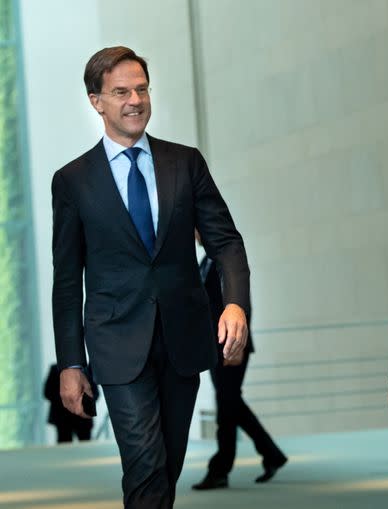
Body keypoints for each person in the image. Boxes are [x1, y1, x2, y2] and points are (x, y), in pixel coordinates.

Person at [51, 46, 250, 509]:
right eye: (120, 92)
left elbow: (225, 242)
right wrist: (70, 363)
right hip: (116, 344)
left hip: (183, 339)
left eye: (141, 89)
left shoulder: (185, 163)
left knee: (167, 466)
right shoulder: (73, 181)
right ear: (96, 101)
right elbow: (67, 280)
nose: (134, 100)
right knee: (144, 463)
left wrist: (235, 302)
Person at [192, 234, 287, 490]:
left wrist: (238, 346)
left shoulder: (226, 264)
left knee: (226, 406)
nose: (195, 233)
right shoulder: (205, 263)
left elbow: (243, 305)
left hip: (232, 347)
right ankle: (271, 454)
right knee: (231, 403)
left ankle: (220, 469)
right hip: (215, 348)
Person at [44, 363, 97, 443]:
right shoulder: (55, 369)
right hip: (63, 417)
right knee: (64, 447)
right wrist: (65, 399)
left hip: (82, 417)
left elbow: (95, 393)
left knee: (86, 447)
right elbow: (47, 393)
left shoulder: (86, 369)